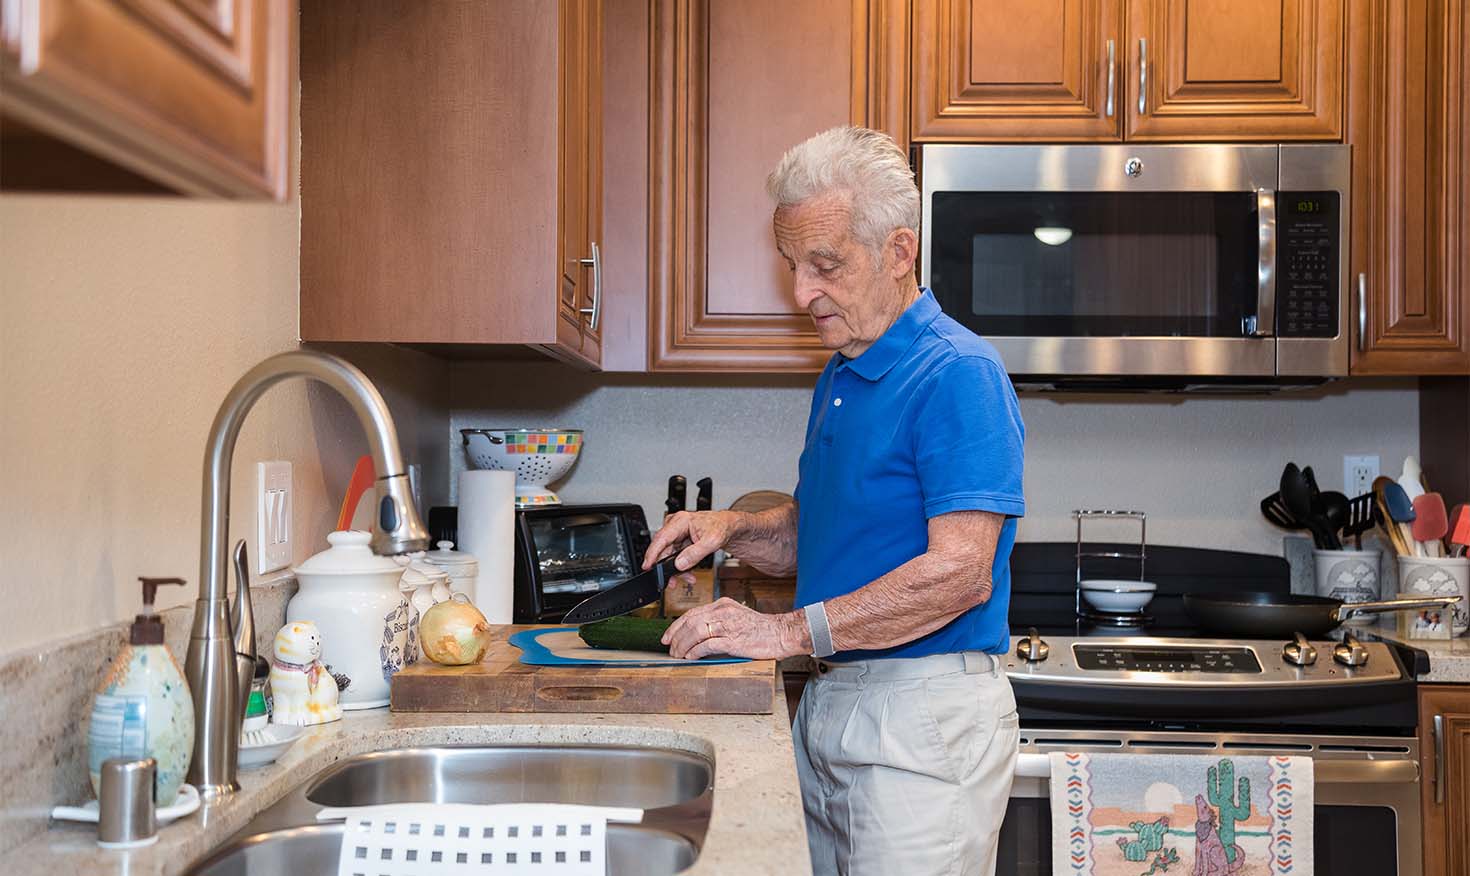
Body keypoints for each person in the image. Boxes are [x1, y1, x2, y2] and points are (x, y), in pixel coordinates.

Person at [643, 125, 1025, 876]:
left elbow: (959, 575)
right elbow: (823, 533)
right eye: (792, 266)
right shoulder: (845, 372)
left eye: (825, 265)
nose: (801, 293)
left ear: (899, 251)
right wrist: (737, 528)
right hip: (835, 706)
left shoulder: (958, 373)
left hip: (918, 723)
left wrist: (780, 632)